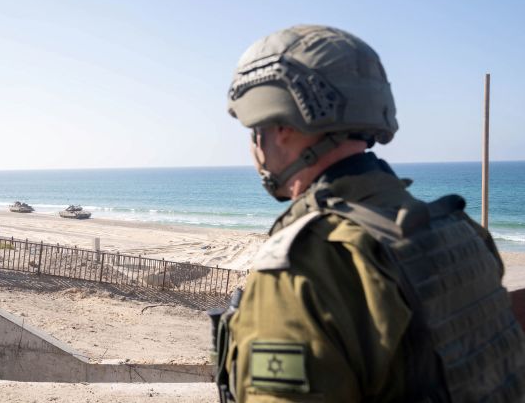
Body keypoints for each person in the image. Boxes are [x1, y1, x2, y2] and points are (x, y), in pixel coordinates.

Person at [215, 25, 525, 402]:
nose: (253, 148)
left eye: (254, 130)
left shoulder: (309, 266)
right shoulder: (461, 231)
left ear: (281, 128)